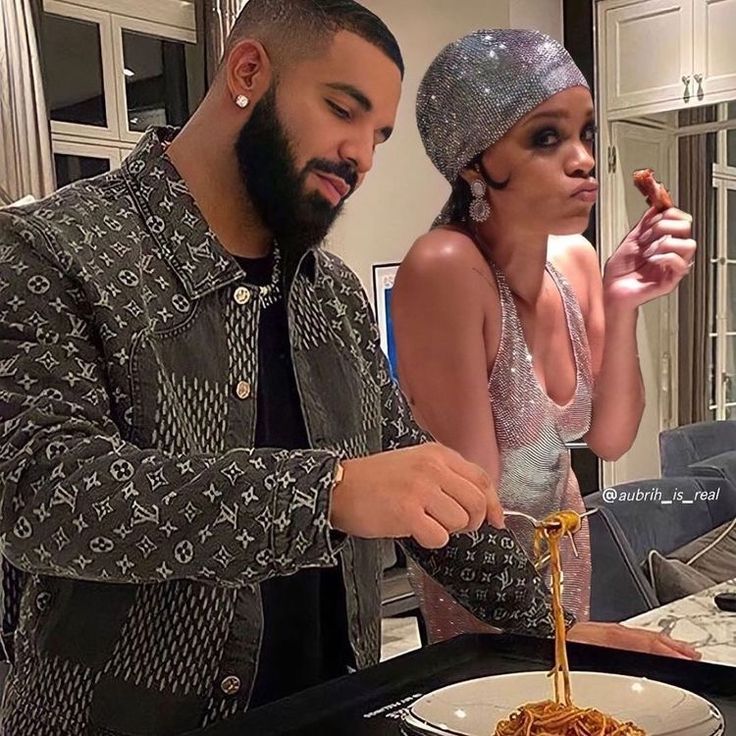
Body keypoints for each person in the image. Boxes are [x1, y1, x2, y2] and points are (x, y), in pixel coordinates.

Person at [0, 7, 697, 734]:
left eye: (380, 136)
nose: (361, 155)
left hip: (337, 709)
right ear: (247, 73)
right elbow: (42, 493)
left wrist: (553, 629)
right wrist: (326, 490)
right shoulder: (53, 249)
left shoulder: (329, 294)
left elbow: (430, 495)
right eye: (343, 110)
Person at [392, 29, 697, 642]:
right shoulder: (446, 268)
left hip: (566, 550)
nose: (583, 159)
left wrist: (624, 299)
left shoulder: (575, 262)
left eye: (584, 132)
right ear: (475, 162)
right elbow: (474, 515)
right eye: (546, 137)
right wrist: (575, 637)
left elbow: (609, 439)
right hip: (485, 585)